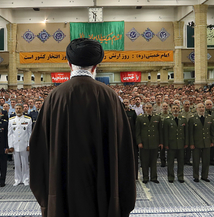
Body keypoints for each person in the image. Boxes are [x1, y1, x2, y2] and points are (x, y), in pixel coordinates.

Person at [30, 38, 136, 216]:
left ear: (69, 63)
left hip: (63, 190)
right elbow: (123, 147)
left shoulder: (55, 96)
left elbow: (39, 149)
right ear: (96, 66)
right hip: (101, 192)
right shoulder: (109, 96)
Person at [136, 103, 163, 183]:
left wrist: (161, 142)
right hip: (144, 143)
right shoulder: (140, 118)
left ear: (152, 108)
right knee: (144, 162)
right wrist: (139, 142)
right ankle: (145, 177)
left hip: (154, 142)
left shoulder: (157, 117)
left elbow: (160, 131)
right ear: (144, 109)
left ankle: (154, 177)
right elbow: (137, 132)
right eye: (147, 108)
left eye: (149, 108)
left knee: (153, 161)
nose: (148, 109)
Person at [188, 103, 214, 182]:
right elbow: (191, 133)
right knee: (196, 161)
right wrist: (191, 143)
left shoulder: (209, 118)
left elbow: (212, 131)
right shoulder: (192, 119)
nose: (201, 109)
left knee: (206, 161)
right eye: (199, 107)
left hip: (206, 142)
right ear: (196, 109)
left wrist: (212, 141)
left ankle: (204, 176)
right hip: (196, 143)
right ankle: (196, 176)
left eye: (203, 107)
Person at [163, 104, 188, 183]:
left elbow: (186, 132)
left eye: (177, 108)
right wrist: (166, 144)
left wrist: (186, 142)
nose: (175, 109)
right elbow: (165, 133)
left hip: (181, 143)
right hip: (171, 144)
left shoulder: (183, 119)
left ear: (179, 109)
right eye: (173, 108)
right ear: (171, 110)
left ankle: (180, 176)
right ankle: (170, 176)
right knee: (170, 162)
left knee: (181, 161)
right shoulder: (167, 120)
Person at [8, 104, 32, 186]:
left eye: (19, 108)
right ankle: (17, 179)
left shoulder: (28, 119)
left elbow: (30, 133)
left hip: (24, 144)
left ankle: (26, 179)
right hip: (15, 144)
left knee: (25, 163)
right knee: (17, 164)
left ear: (22, 110)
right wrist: (10, 145)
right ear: (14, 110)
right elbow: (10, 134)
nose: (18, 110)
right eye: (16, 108)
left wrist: (29, 144)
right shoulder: (11, 120)